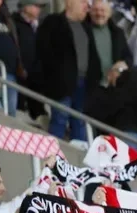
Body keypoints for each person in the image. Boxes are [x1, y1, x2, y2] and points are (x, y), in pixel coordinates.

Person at [37, 0, 98, 142]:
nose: (87, 7)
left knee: (80, 123)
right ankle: (52, 158)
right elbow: (43, 52)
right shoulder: (53, 22)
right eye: (83, 2)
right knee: (60, 118)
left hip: (83, 85)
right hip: (61, 84)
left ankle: (79, 160)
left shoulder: (86, 28)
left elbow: (94, 58)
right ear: (70, 2)